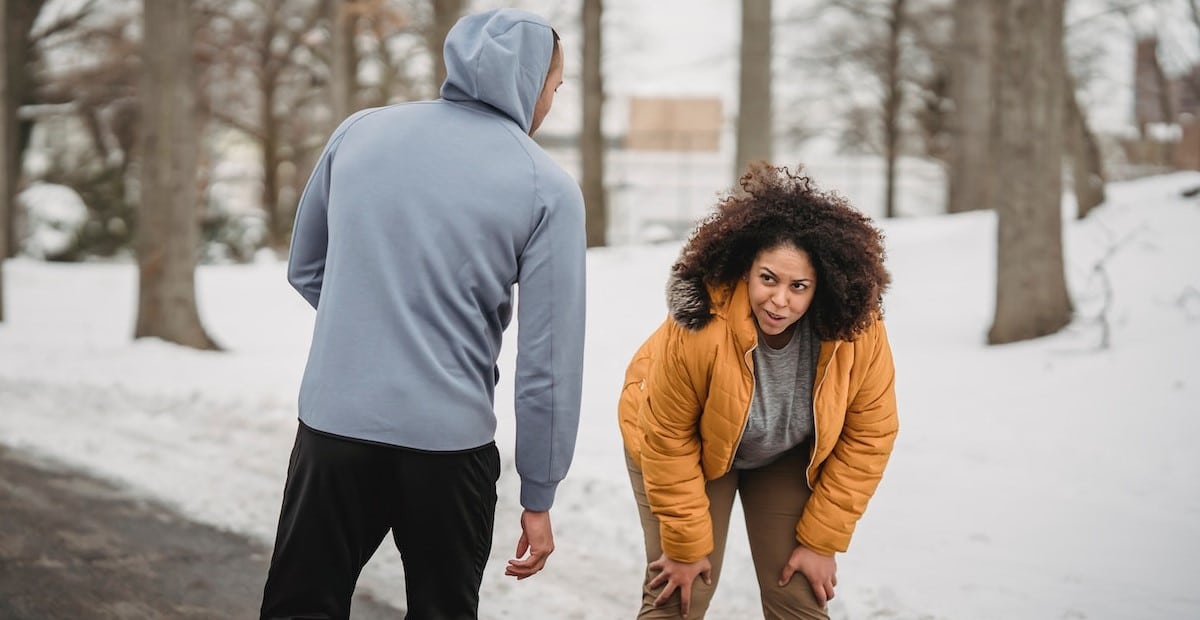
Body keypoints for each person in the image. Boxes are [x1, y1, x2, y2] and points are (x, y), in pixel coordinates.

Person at [261, 8, 586, 620]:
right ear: (529, 80)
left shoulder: (358, 132)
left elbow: (306, 269)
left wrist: (370, 328)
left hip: (334, 432)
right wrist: (539, 495)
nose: (551, 100)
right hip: (448, 448)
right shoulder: (547, 187)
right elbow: (548, 365)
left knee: (299, 607)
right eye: (554, 86)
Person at [617, 163, 898, 619]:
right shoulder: (700, 325)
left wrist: (820, 541)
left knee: (800, 596)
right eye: (768, 278)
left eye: (798, 286)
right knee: (682, 596)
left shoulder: (856, 331)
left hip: (781, 452)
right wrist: (686, 546)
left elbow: (870, 436)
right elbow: (667, 436)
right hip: (687, 449)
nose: (779, 300)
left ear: (822, 287)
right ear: (746, 268)